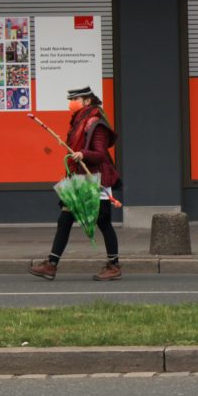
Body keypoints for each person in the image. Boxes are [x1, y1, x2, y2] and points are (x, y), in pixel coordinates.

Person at [28, 87, 122, 282]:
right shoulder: (80, 121)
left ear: (87, 101)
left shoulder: (96, 124)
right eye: (70, 99)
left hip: (95, 180)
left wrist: (82, 154)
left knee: (103, 223)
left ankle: (113, 265)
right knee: (64, 220)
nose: (71, 102)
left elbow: (100, 154)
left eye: (75, 98)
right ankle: (51, 265)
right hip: (79, 180)